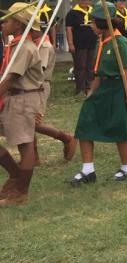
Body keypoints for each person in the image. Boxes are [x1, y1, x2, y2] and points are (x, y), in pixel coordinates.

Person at [68, 2, 127, 186]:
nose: (91, 25)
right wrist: (91, 91)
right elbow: (99, 73)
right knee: (85, 124)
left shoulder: (120, 43)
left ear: (103, 23)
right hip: (102, 89)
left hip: (117, 89)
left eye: (93, 22)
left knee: (120, 129)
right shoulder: (101, 42)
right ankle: (88, 170)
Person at [0, 2, 42, 206]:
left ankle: (20, 192)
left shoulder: (24, 48)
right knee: (24, 144)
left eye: (7, 20)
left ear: (18, 24)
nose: (2, 24)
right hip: (12, 98)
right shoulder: (15, 45)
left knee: (25, 145)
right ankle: (16, 174)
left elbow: (10, 78)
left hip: (23, 98)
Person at [30, 20, 77, 164]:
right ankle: (33, 157)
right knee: (28, 123)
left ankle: (66, 138)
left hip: (39, 85)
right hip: (32, 86)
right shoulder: (34, 43)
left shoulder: (43, 45)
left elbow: (39, 69)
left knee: (33, 122)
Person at [65, 0, 96, 95]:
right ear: (78, 0)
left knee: (91, 66)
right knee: (80, 66)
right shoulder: (72, 13)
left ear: (90, 1)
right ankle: (80, 89)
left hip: (92, 43)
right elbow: (69, 29)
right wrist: (70, 44)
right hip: (79, 44)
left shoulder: (93, 12)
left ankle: (89, 87)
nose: (84, 1)